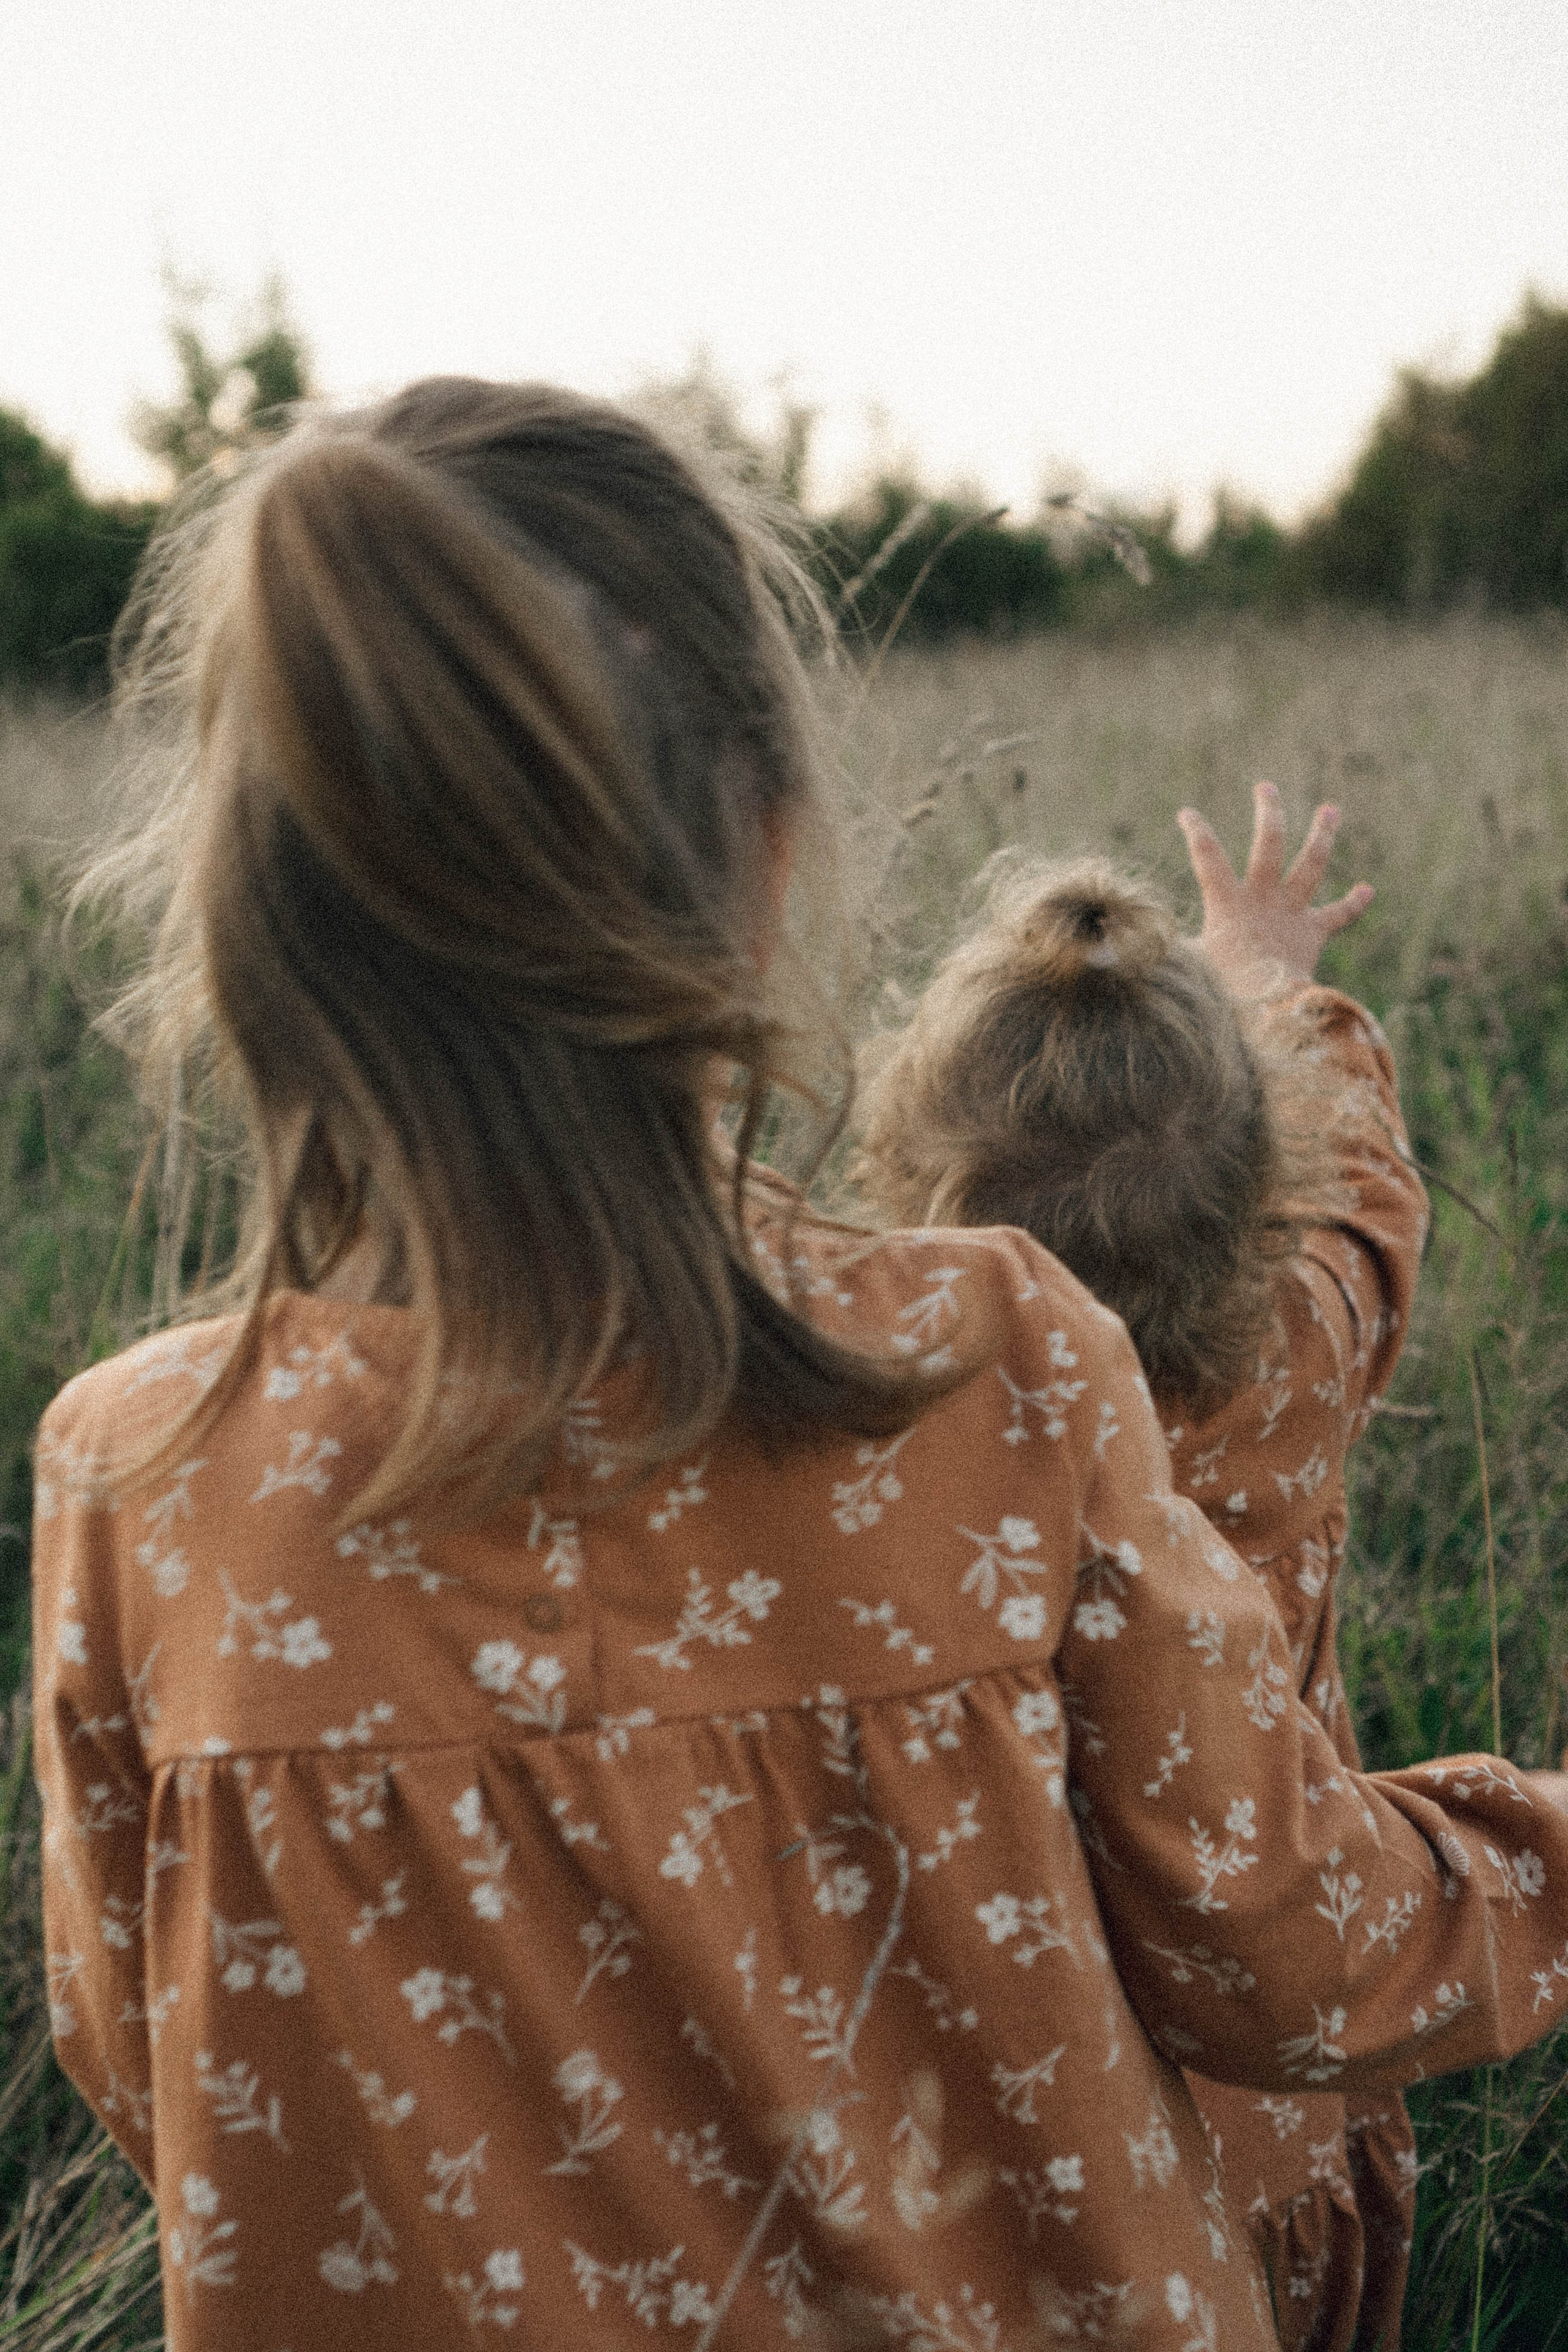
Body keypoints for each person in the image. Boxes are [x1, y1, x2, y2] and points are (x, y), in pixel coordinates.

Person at [31, 381, 1568, 2352]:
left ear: (257, 928)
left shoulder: (145, 1487)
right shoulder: (997, 1367)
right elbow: (1281, 1947)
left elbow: (155, 2069)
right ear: (764, 855)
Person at [852, 791, 1433, 2350]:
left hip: (998, 2113)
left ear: (907, 1176)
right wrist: (1268, 976)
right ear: (1262, 1170)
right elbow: (1367, 1195)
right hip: (1271, 2086)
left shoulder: (877, 1443)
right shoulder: (1308, 1347)